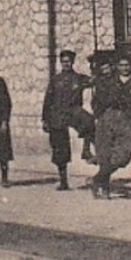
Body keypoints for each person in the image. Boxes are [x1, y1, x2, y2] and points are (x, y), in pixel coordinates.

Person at [89, 54, 131, 199]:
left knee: (123, 155)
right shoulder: (109, 82)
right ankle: (104, 188)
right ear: (117, 67)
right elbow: (96, 101)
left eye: (127, 65)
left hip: (126, 121)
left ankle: (97, 179)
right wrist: (101, 115)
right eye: (121, 65)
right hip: (108, 118)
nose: (124, 68)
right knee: (105, 154)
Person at [40, 49, 94, 191]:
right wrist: (45, 119)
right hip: (57, 115)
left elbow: (94, 81)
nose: (66, 64)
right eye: (63, 62)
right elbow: (48, 100)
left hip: (73, 111)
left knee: (89, 121)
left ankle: (86, 150)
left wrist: (94, 65)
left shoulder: (79, 78)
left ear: (72, 63)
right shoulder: (55, 80)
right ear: (60, 63)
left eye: (68, 62)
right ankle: (63, 180)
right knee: (60, 149)